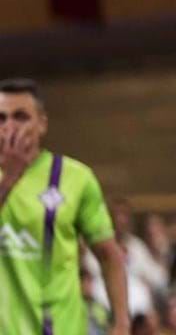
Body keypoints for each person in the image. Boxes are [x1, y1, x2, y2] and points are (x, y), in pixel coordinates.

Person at [0, 77, 131, 335]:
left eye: (20, 117)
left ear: (42, 124)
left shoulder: (75, 178)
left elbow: (108, 255)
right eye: (1, 118)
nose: (9, 127)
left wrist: (121, 323)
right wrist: (11, 178)